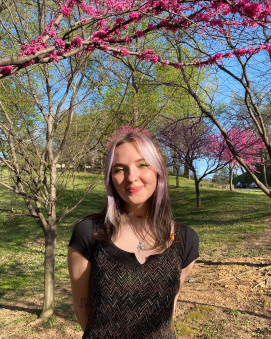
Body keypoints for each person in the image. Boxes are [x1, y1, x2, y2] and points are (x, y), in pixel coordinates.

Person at [68, 126, 199, 339]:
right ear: (110, 178)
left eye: (143, 165)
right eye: (119, 169)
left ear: (158, 171)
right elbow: (83, 307)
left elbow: (170, 305)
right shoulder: (89, 233)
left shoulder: (185, 240)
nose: (131, 177)